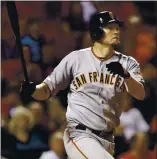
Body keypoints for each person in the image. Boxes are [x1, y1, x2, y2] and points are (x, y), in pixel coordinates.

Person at [20, 11, 145, 159]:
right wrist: (34, 89)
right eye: (110, 27)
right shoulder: (75, 59)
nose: (116, 30)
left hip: (107, 139)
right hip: (80, 134)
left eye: (117, 27)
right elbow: (47, 89)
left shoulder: (127, 62)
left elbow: (140, 94)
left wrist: (126, 76)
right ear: (96, 32)